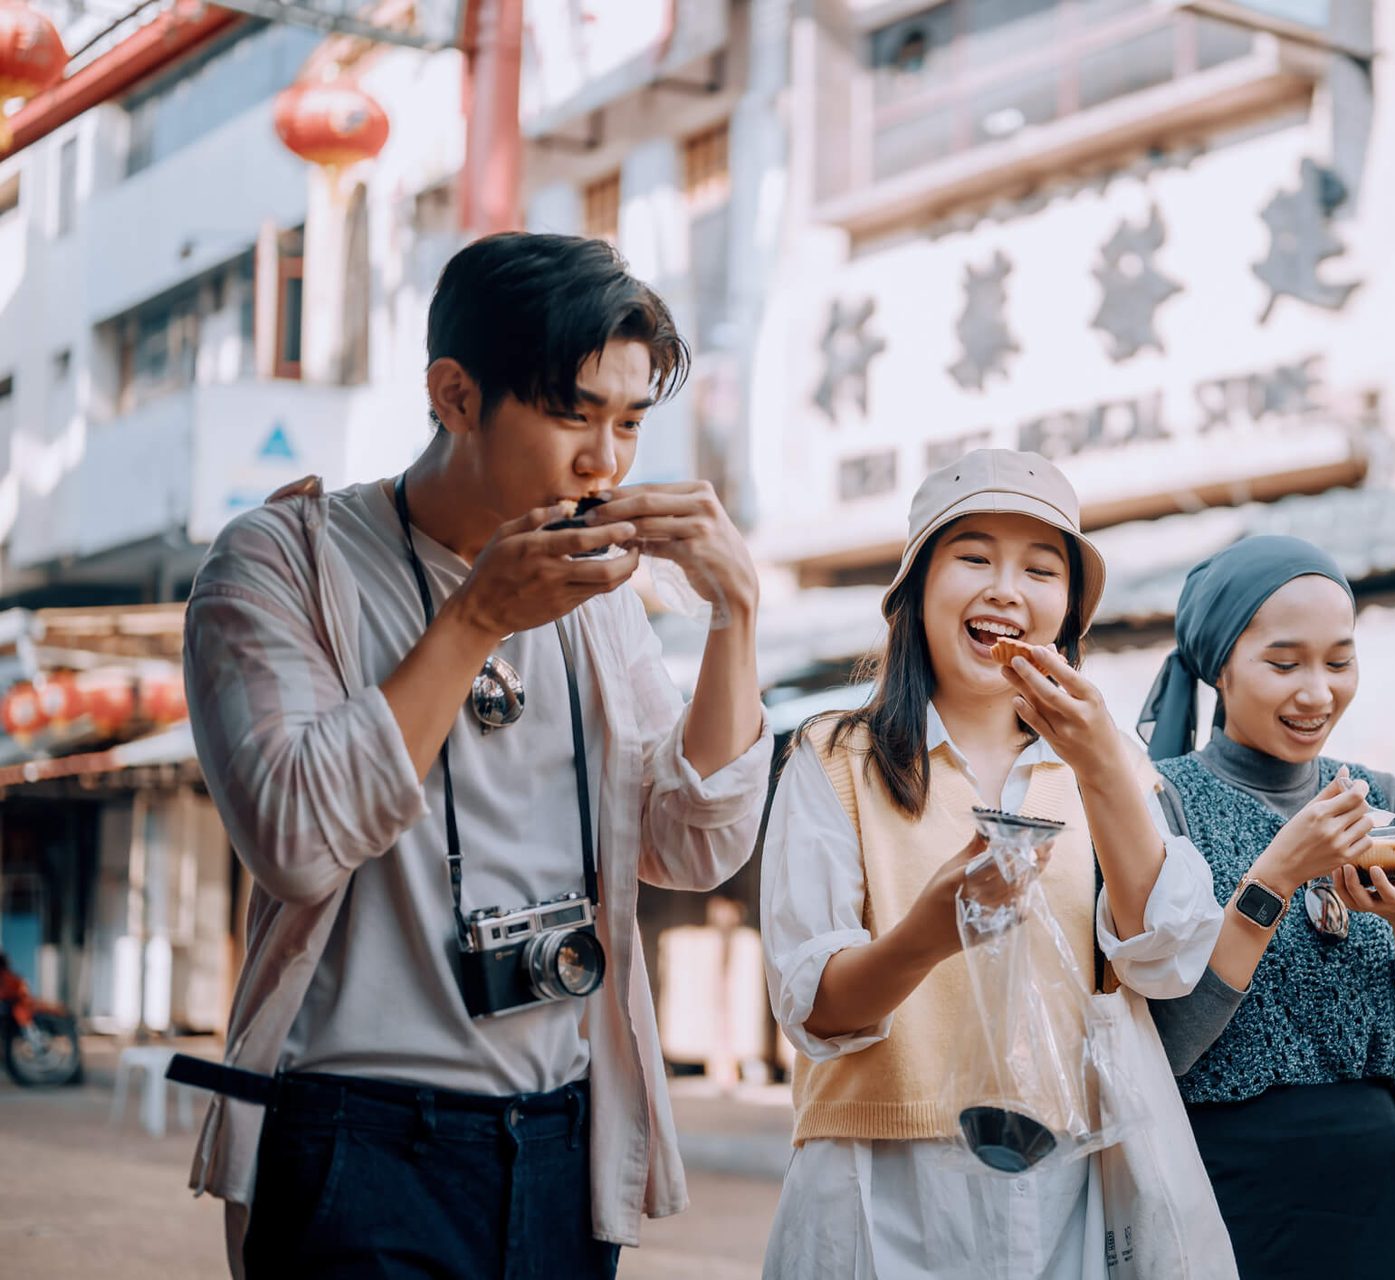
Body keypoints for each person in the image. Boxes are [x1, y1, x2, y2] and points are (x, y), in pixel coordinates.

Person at [181, 232, 771, 1279]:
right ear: (456, 395)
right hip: (353, 1131)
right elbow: (296, 840)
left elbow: (689, 844)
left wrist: (735, 617)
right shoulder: (283, 561)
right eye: (571, 413)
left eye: (630, 421)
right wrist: (474, 619)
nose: (607, 460)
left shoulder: (601, 603)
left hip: (559, 1141)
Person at [758, 449, 1222, 1279]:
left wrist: (1105, 768)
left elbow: (1170, 958)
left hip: (1073, 1183)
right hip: (880, 1187)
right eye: (973, 556)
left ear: (1069, 609)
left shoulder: (1111, 762)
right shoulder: (833, 758)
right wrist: (929, 936)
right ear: (915, 590)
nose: (1006, 588)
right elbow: (812, 1009)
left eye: (1042, 570)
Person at [1138, 536, 1395, 1278]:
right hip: (1225, 1196)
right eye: (1285, 663)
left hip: (1384, 1194)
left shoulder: (1382, 799)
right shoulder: (1160, 806)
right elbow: (1160, 1049)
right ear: (1220, 666)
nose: (1318, 692)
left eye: (1339, 660)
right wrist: (1277, 875)